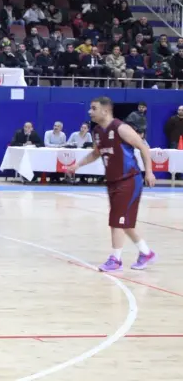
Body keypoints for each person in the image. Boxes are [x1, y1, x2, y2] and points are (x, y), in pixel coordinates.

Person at [64, 97, 156, 271]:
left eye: (93, 108)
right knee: (123, 222)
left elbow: (144, 147)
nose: (90, 111)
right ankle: (146, 252)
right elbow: (96, 153)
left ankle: (116, 260)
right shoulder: (97, 131)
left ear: (105, 111)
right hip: (112, 181)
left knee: (116, 220)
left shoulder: (121, 128)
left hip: (129, 179)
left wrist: (149, 172)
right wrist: (77, 165)